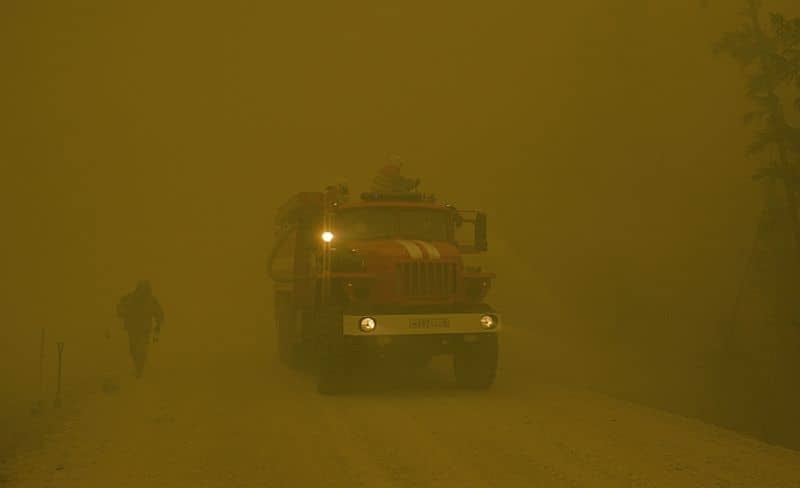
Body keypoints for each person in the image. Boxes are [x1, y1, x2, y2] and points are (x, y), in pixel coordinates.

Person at [116, 280, 164, 378]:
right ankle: (138, 367)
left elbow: (159, 313)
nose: (143, 291)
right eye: (142, 289)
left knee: (142, 349)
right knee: (133, 349)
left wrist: (158, 325)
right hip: (132, 329)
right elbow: (120, 309)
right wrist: (123, 312)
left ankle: (139, 369)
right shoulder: (130, 298)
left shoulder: (150, 300)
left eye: (145, 289)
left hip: (144, 330)